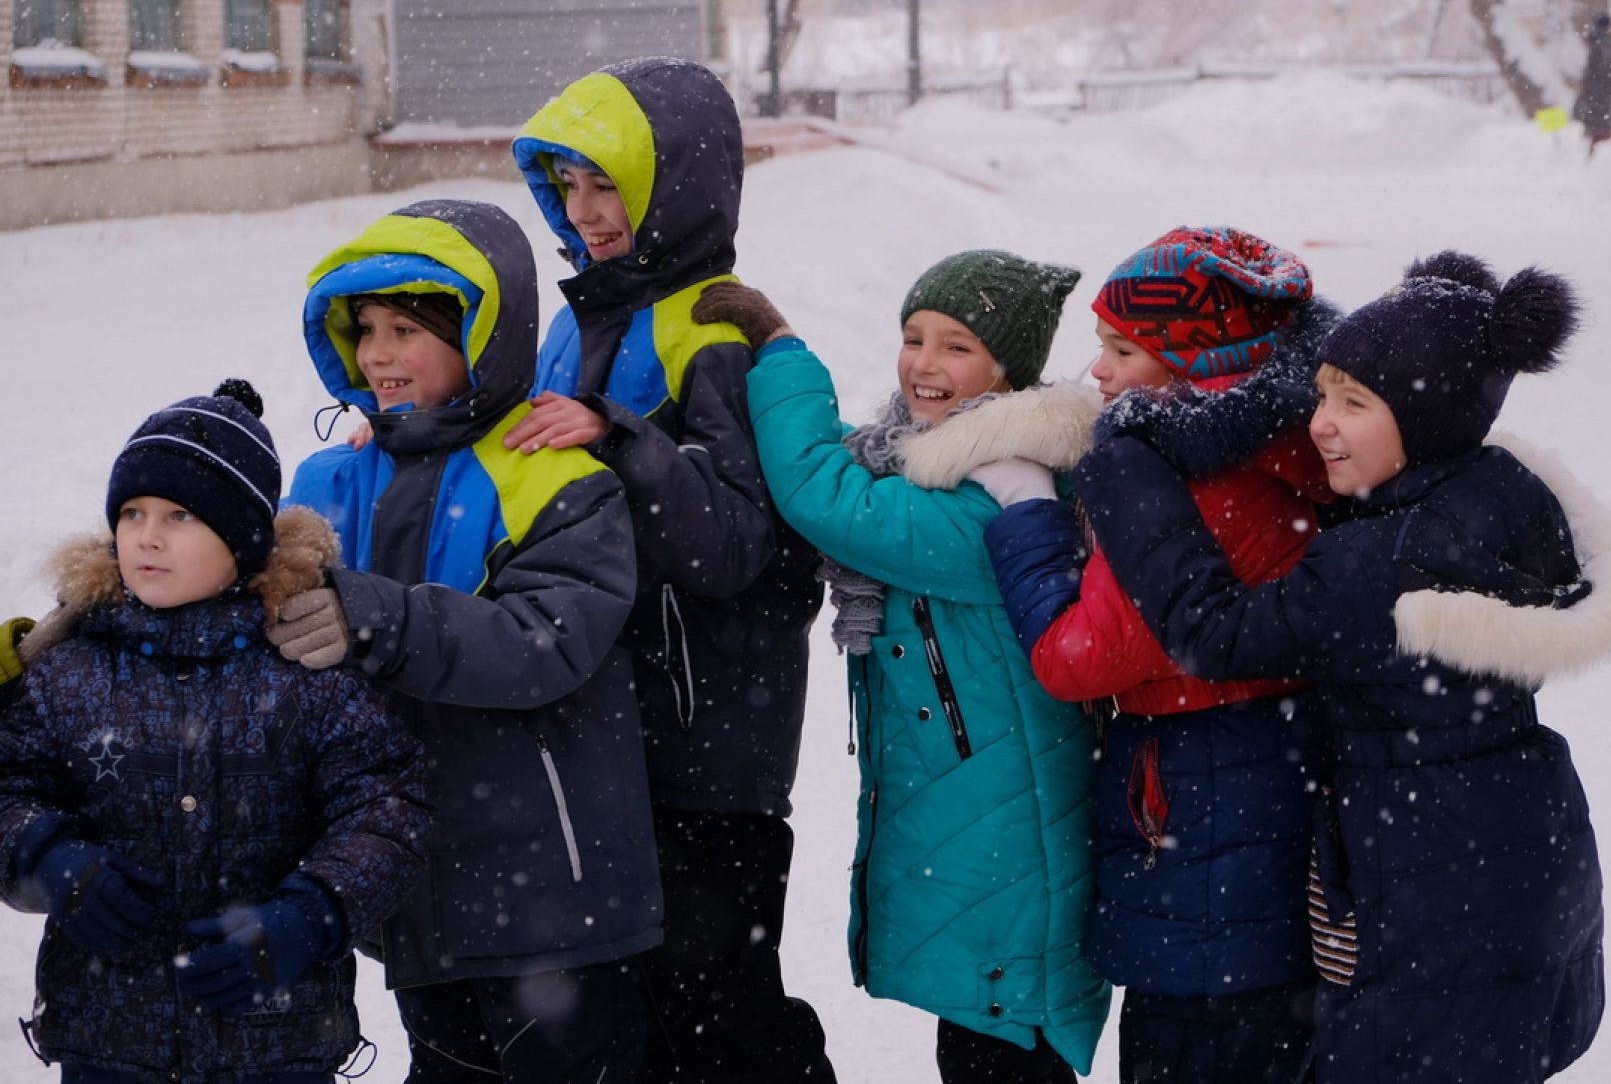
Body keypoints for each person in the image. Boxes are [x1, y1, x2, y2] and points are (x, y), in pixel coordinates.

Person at [1079, 252, 1611, 1082]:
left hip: (1420, 868)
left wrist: (1128, 473)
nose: (1319, 423)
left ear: (1427, 418)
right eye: (1321, 393)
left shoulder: (1380, 562)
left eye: (1354, 402)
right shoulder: (1498, 490)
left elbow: (1216, 634)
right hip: (1515, 843)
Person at [691, 251, 1112, 1083]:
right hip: (981, 815)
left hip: (1008, 826)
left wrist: (781, 351)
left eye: (956, 346)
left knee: (1002, 1041)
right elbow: (848, 470)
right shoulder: (929, 456)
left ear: (1006, 371)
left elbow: (822, 493)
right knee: (978, 1037)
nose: (924, 363)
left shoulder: (1002, 495)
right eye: (913, 336)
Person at [276, 199, 662, 1082]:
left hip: (553, 891)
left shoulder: (552, 471)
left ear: (482, 333)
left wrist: (381, 616)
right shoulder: (331, 481)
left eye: (406, 328)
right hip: (413, 888)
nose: (376, 353)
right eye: (365, 328)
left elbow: (547, 642)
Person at [948, 227, 1335, 1083]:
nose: (1099, 371)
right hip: (1263, 791)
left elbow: (1075, 655)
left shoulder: (1197, 484)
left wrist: (1028, 516)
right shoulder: (1280, 450)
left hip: (1201, 822)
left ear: (1201, 364)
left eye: (1124, 349)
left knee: (1195, 1047)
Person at [509, 57, 832, 1082]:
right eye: (567, 184)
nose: (584, 210)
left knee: (725, 1019)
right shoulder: (576, 325)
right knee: (636, 1019)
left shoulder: (717, 332)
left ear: (674, 185)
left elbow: (736, 545)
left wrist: (617, 435)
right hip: (608, 737)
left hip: (711, 744)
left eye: (607, 183)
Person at [0, 380, 431, 1083]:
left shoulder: (305, 669)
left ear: (243, 537)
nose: (147, 535)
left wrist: (311, 913)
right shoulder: (69, 670)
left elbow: (388, 807)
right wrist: (50, 859)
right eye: (131, 512)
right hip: (111, 1042)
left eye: (180, 515)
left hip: (276, 1040)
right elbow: (8, 785)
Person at [1573, 12, 1611, 157]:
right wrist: (1607, 89)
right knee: (1601, 132)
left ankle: (1596, 160)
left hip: (1597, 95)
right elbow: (1600, 71)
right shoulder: (1602, 44)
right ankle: (1598, 163)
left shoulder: (1598, 43)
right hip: (1599, 96)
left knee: (1598, 131)